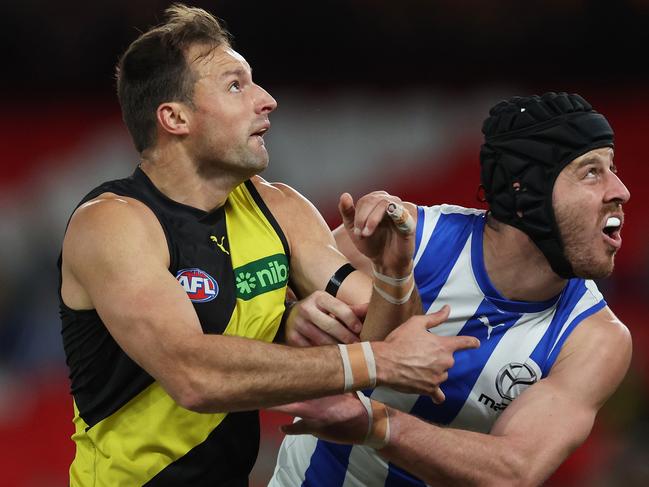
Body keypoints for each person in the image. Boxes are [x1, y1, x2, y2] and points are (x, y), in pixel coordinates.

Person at [56, 4, 480, 485]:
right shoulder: (112, 223)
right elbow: (194, 375)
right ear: (175, 117)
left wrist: (394, 274)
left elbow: (383, 339)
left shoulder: (278, 208)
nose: (267, 100)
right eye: (236, 85)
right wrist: (365, 358)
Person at [270, 92, 632, 486]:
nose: (620, 190)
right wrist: (290, 314)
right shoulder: (408, 237)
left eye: (612, 169)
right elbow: (262, 306)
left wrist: (374, 424)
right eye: (592, 172)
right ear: (525, 191)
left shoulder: (594, 337)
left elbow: (514, 470)